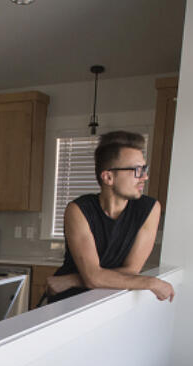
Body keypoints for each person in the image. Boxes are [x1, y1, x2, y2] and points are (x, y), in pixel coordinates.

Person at [45, 130, 175, 303]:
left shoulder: (150, 208)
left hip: (109, 298)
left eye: (144, 168)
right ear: (108, 177)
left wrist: (71, 279)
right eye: (137, 170)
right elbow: (93, 278)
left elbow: (131, 270)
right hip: (68, 302)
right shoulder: (78, 210)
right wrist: (150, 282)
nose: (145, 176)